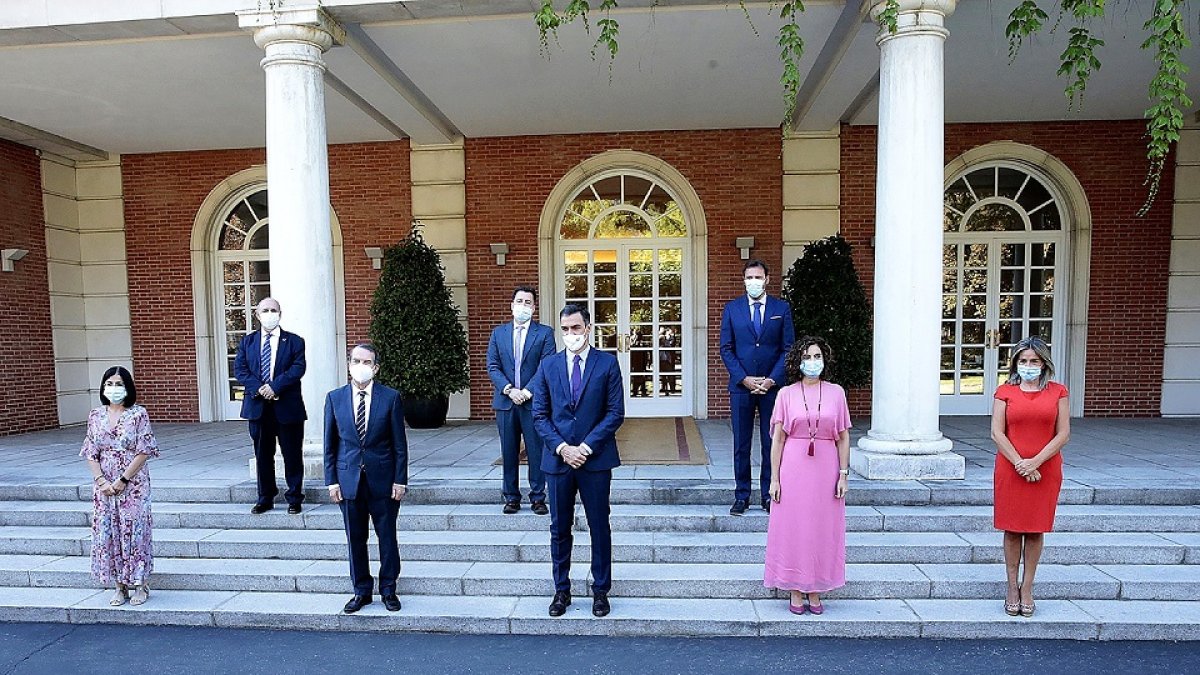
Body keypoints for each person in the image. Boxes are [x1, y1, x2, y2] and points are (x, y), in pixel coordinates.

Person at [531, 304, 625, 618]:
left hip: (595, 460)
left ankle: (601, 591)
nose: (571, 334)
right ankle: (562, 590)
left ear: (587, 327)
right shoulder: (548, 366)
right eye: (565, 329)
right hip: (557, 462)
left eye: (576, 328)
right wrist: (562, 448)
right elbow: (540, 415)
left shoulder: (607, 364)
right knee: (559, 528)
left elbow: (614, 413)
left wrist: (584, 447)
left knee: (599, 526)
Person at [763, 337, 851, 616]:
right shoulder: (786, 394)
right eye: (807, 357)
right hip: (794, 466)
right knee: (795, 527)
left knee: (821, 528)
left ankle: (816, 588)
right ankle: (795, 588)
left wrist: (843, 474)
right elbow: (777, 440)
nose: (812, 362)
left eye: (817, 356)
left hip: (826, 467)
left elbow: (844, 437)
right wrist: (774, 479)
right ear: (797, 362)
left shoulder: (836, 393)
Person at [324, 344, 409, 614]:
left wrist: (400, 480)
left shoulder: (391, 397)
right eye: (356, 360)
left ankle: (388, 590)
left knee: (387, 537)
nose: (361, 365)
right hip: (349, 481)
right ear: (349, 364)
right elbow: (330, 444)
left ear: (376, 367)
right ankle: (361, 590)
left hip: (383, 481)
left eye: (367, 361)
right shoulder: (335, 398)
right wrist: (332, 481)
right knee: (355, 539)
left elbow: (399, 445)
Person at [991, 335, 1070, 618]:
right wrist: (1020, 464)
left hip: (1045, 469)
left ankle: (1028, 587)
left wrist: (1035, 462)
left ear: (1043, 363)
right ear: (1015, 364)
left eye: (1033, 361)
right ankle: (1011, 587)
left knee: (1035, 529)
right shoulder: (1004, 392)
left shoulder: (1058, 392)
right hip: (1011, 470)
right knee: (1012, 529)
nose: (1028, 365)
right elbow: (997, 433)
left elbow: (1063, 434)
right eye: (1023, 361)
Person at [719, 259, 795, 515]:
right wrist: (744, 378)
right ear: (744, 281)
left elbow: (788, 348)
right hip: (741, 387)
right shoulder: (732, 309)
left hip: (772, 388)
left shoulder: (781, 308)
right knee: (741, 443)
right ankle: (741, 495)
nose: (753, 282)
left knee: (770, 440)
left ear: (767, 279)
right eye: (749, 277)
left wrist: (772, 379)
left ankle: (767, 494)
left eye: (758, 277)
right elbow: (726, 349)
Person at [80, 366, 160, 607]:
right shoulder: (96, 415)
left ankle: (140, 583)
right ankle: (118, 585)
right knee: (109, 532)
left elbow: (144, 450)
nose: (114, 389)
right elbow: (90, 451)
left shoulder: (138, 414)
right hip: (104, 484)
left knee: (134, 532)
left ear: (128, 387)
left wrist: (123, 479)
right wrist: (101, 481)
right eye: (109, 384)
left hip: (132, 484)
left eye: (119, 384)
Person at [233, 297, 307, 515]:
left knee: (292, 454)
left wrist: (274, 387)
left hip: (287, 407)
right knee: (262, 455)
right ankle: (265, 497)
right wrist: (260, 388)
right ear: (257, 315)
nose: (269, 313)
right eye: (265, 310)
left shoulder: (294, 341)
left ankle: (294, 497)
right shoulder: (247, 342)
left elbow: (297, 368)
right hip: (258, 407)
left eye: (273, 310)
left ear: (280, 314)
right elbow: (241, 370)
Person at [487, 286, 556, 515]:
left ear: (534, 307)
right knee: (508, 452)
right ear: (511, 305)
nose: (523, 306)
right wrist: (509, 390)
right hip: (506, 403)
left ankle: (538, 497)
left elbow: (545, 367)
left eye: (528, 302)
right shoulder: (498, 333)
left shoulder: (545, 333)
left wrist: (526, 392)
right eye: (519, 301)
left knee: (536, 450)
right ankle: (511, 497)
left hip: (533, 402)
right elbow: (493, 366)